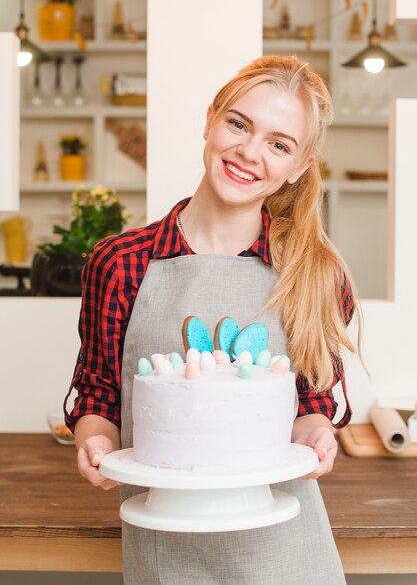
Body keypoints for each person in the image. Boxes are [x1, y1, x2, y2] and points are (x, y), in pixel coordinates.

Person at [65, 54, 359, 585]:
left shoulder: (314, 274)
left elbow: (312, 407)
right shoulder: (120, 263)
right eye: (238, 124)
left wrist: (318, 437)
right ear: (210, 120)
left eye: (279, 143)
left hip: (284, 548)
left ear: (299, 165)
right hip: (164, 542)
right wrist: (96, 443)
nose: (249, 152)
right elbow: (99, 397)